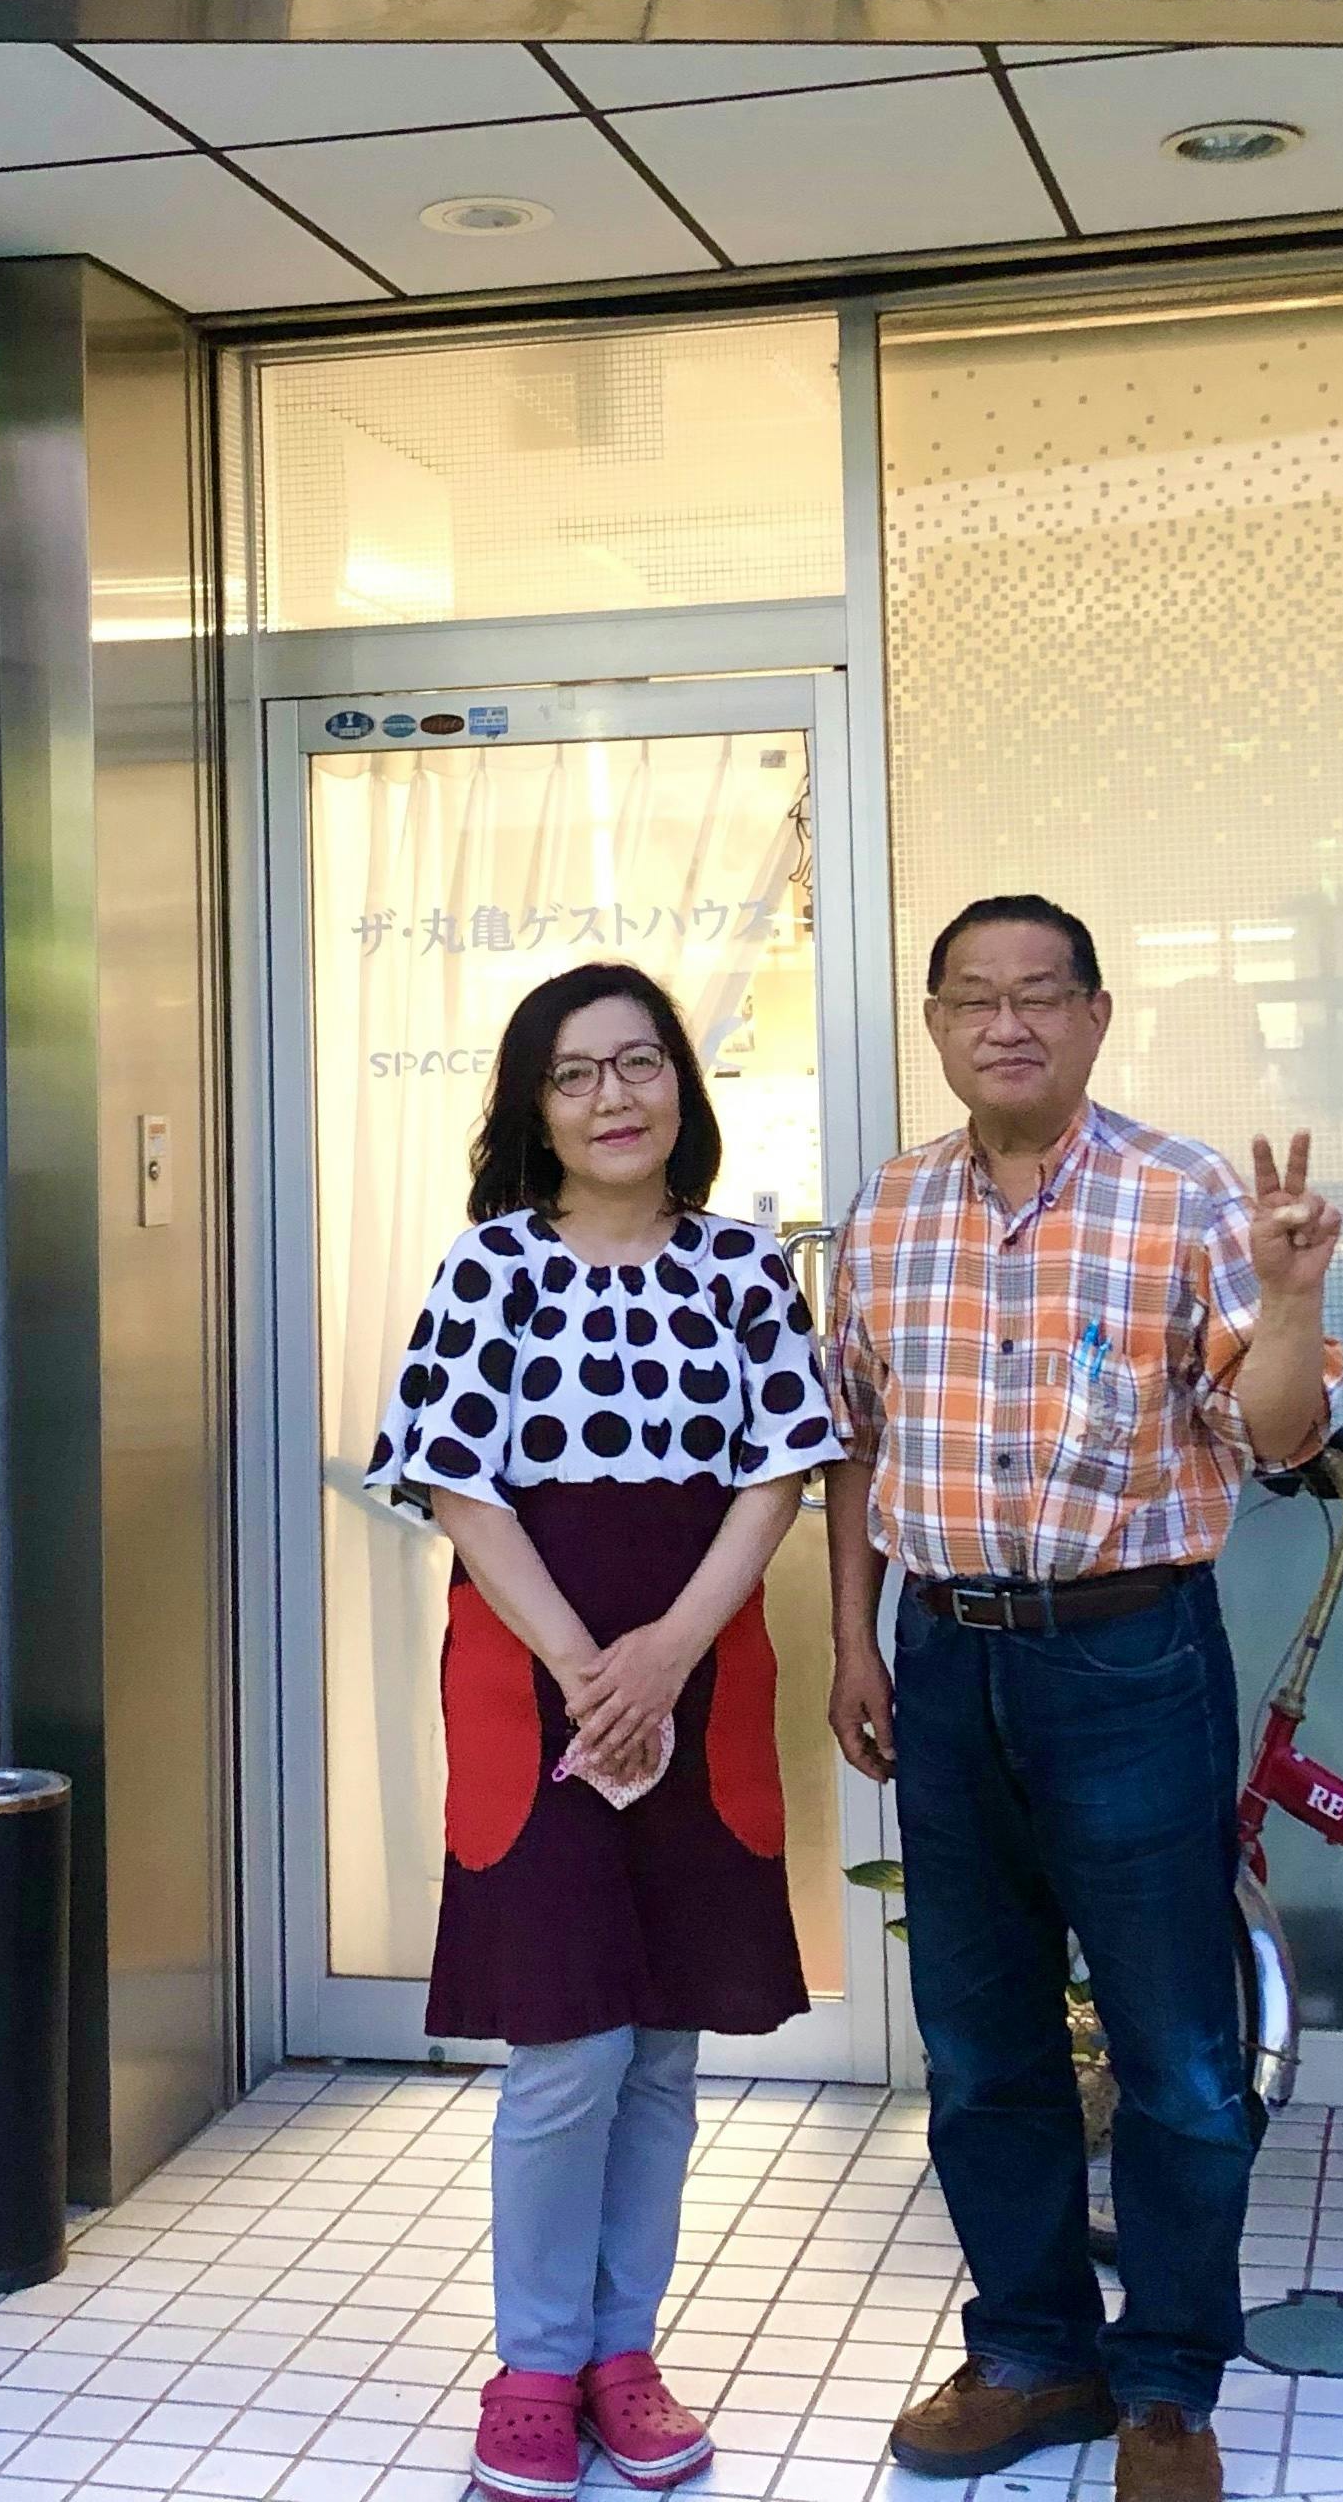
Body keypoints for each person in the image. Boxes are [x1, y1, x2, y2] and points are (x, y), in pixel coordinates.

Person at [821, 895, 1343, 2502]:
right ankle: (1032, 2354)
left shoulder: (1183, 1194)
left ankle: (1169, 2388)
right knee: (981, 2041)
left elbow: (1281, 1439)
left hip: (1128, 1659)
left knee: (1175, 2045)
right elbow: (853, 1445)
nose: (1008, 1023)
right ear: (935, 1024)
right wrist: (855, 1643)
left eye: (1040, 994)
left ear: (1097, 1015)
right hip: (945, 1650)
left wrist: (1291, 1300)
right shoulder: (888, 1208)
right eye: (973, 997)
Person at [363, 960, 842, 2502]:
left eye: (639, 1064)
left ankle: (625, 2355)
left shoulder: (745, 1268)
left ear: (682, 1088)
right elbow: (456, 1484)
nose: (612, 1097)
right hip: (534, 1683)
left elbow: (779, 1473)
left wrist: (670, 1658)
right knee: (566, 2044)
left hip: (702, 1675)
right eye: (574, 1075)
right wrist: (591, 1671)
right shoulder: (489, 1267)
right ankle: (534, 2362)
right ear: (535, 1109)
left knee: (664, 2048)